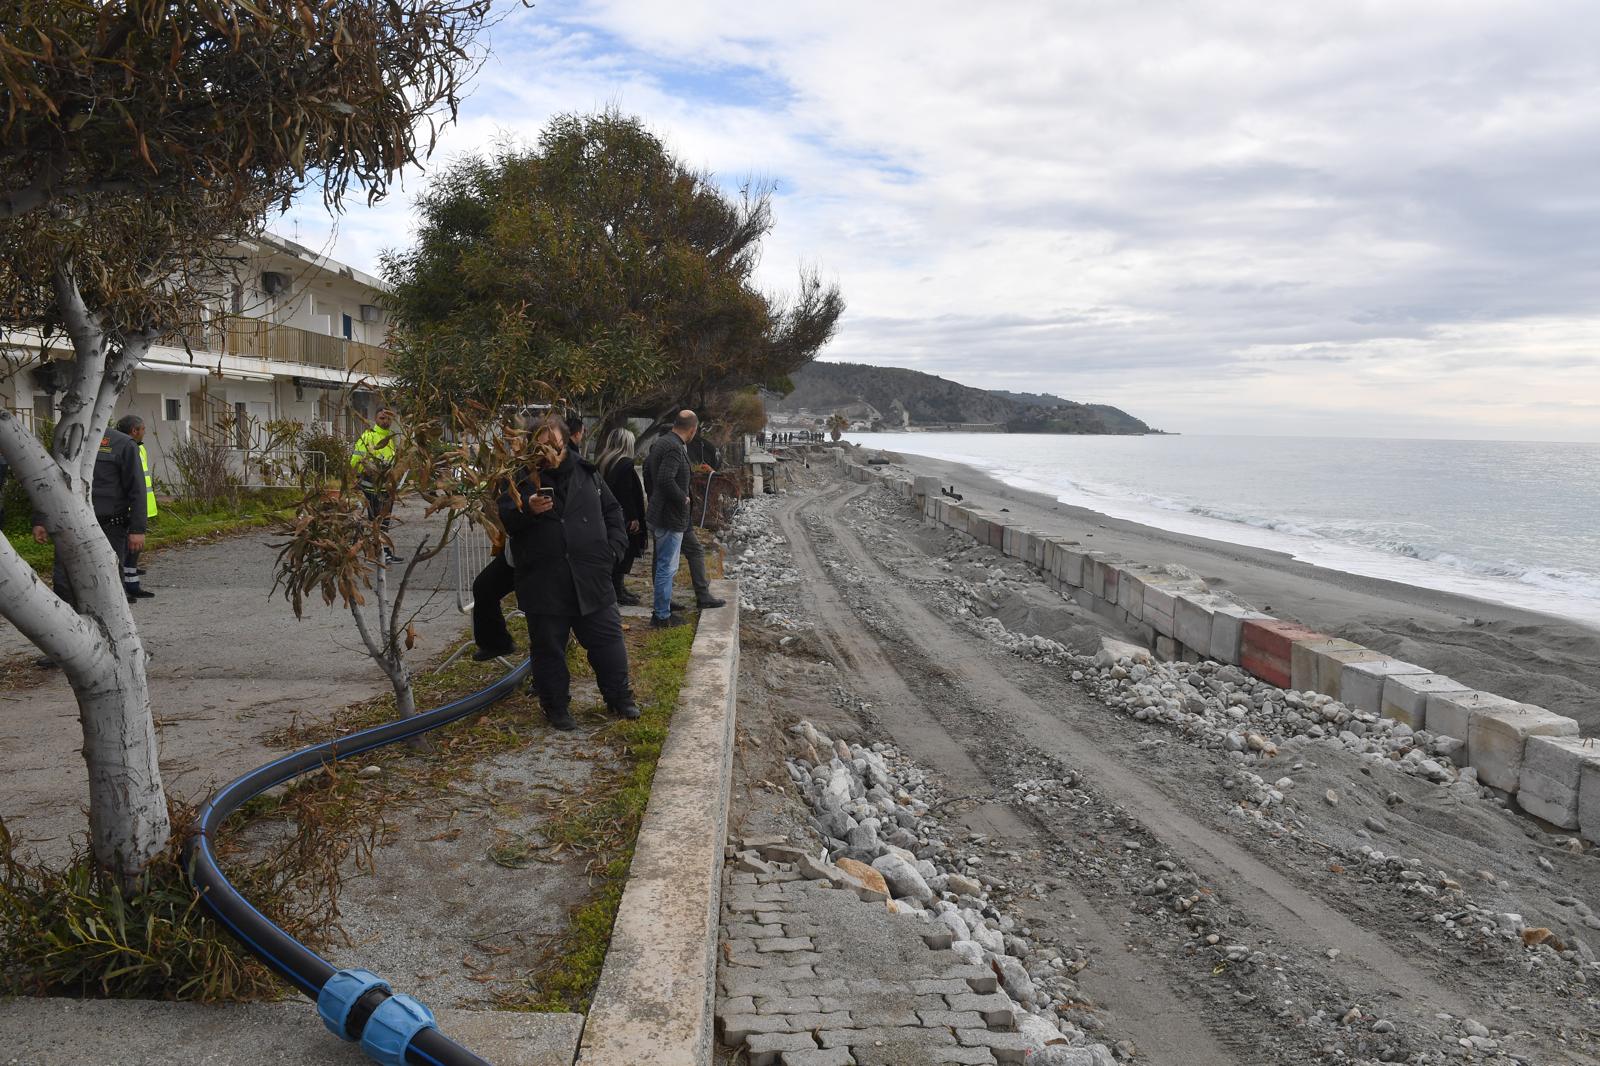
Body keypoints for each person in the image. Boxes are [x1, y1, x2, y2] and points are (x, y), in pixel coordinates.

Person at [499, 415, 638, 729]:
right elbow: (505, 518)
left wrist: (614, 549)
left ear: (566, 442)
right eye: (541, 446)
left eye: (554, 445)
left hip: (592, 575)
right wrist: (526, 510)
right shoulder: (518, 477)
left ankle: (620, 698)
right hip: (543, 580)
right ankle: (556, 708)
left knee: (608, 642)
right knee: (548, 650)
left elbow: (613, 510)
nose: (548, 452)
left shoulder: (587, 472)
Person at [32, 424, 146, 666]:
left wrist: (137, 529)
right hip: (68, 525)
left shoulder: (122, 444)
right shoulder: (66, 440)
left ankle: (121, 645)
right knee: (63, 585)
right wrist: (41, 519)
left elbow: (137, 489)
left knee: (109, 586)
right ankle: (68, 646)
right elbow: (48, 482)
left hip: (109, 527)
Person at [596, 428, 647, 606]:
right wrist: (633, 517)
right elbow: (626, 492)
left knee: (617, 551)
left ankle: (619, 588)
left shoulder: (603, 461)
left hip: (607, 514)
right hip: (623, 515)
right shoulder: (625, 464)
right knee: (623, 553)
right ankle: (617, 591)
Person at [114, 415, 157, 600]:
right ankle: (122, 588)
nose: (144, 432)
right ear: (134, 431)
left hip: (142, 507)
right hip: (129, 508)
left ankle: (133, 584)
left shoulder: (140, 448)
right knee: (123, 550)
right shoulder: (126, 449)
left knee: (134, 551)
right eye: (143, 429)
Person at [351, 408, 402, 563]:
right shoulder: (368, 437)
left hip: (387, 488)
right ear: (375, 419)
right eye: (381, 418)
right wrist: (370, 469)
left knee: (385, 522)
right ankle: (378, 553)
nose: (385, 421)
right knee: (376, 522)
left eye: (388, 418)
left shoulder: (391, 439)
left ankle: (384, 552)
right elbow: (355, 462)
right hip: (371, 488)